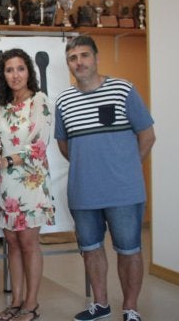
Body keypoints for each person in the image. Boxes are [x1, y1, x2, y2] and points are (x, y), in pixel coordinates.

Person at [55, 36, 155, 321]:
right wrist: (89, 166)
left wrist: (125, 166)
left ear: (96, 58)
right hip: (83, 192)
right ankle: (100, 305)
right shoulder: (64, 100)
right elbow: (65, 145)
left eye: (84, 55)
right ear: (68, 64)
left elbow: (147, 135)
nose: (79, 62)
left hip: (124, 191)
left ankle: (130, 308)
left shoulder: (123, 90)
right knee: (90, 249)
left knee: (129, 250)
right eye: (73, 58)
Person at [0, 48, 55, 321]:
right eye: (9, 70)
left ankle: (31, 304)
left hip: (30, 181)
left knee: (29, 243)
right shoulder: (3, 104)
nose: (15, 75)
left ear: (29, 71)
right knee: (12, 243)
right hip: (6, 183)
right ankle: (16, 300)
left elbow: (41, 144)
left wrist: (8, 159)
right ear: (3, 75)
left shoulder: (39, 100)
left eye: (20, 68)